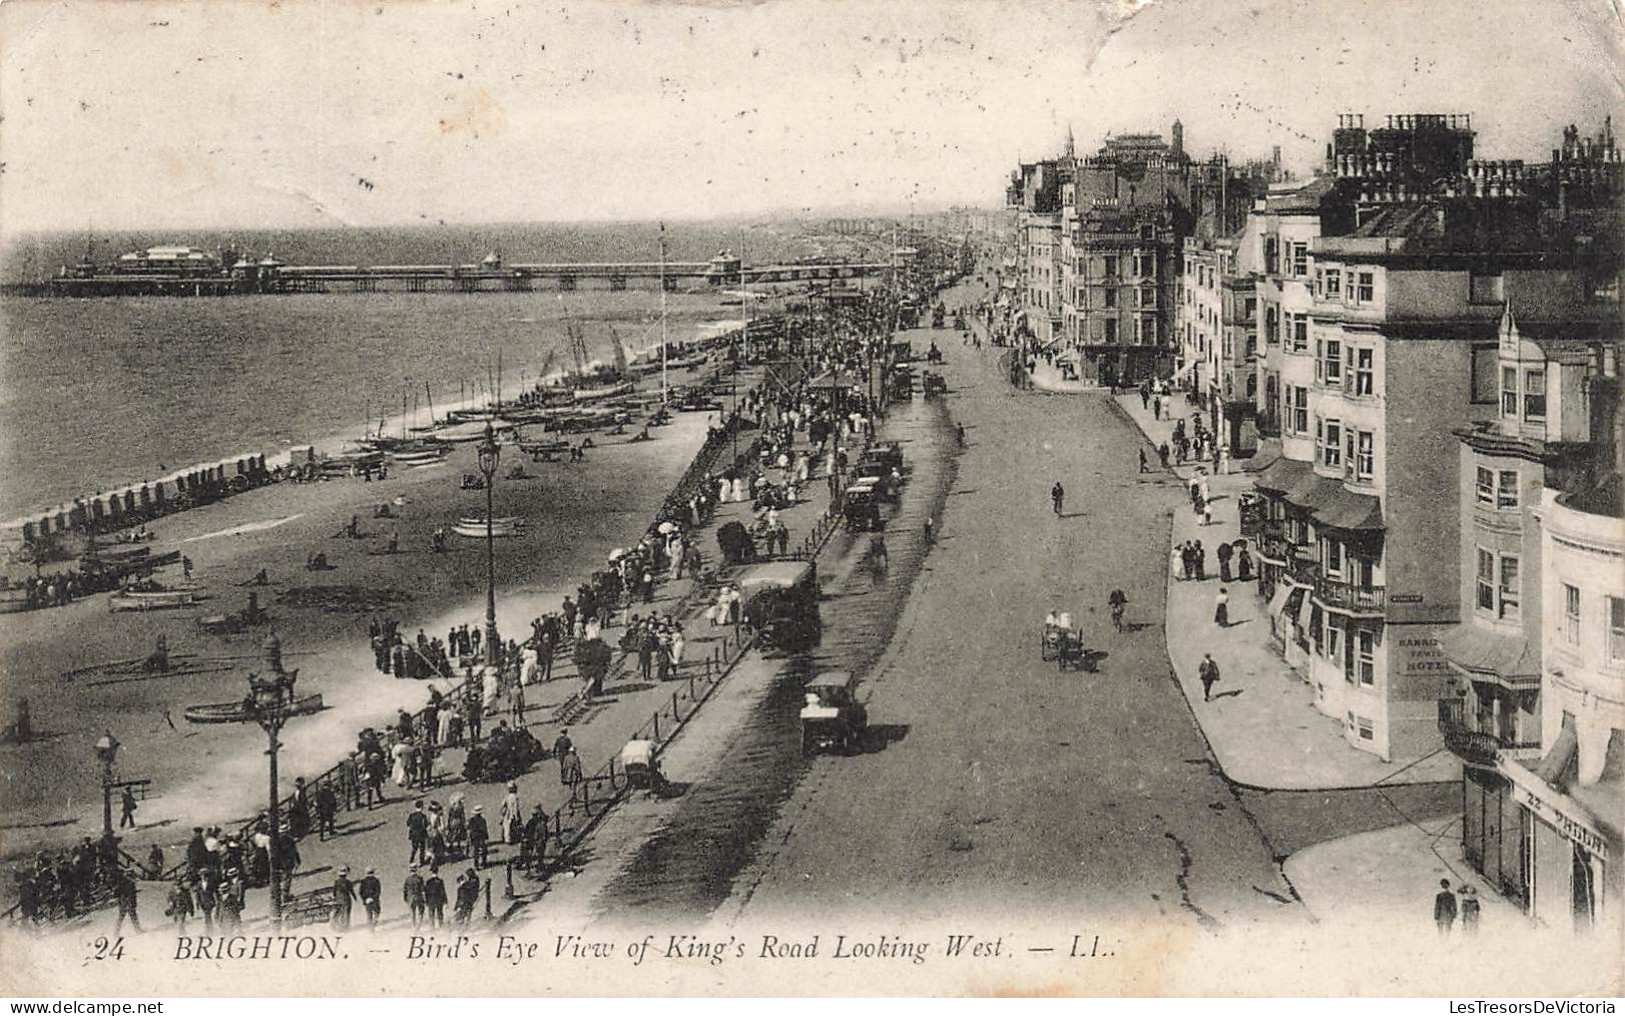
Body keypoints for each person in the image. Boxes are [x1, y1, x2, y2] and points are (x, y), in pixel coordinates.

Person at [113, 868, 140, 934]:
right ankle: (116, 932)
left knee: (124, 917)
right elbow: (116, 892)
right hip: (125, 901)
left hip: (125, 901)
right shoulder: (123, 882)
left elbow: (116, 893)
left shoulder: (127, 882)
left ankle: (116, 932)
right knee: (128, 916)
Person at [331, 866, 355, 931]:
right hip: (346, 898)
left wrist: (334, 897)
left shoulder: (336, 881)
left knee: (339, 913)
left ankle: (337, 927)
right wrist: (355, 897)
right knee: (346, 913)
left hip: (338, 899)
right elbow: (351, 891)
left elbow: (334, 891)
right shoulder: (348, 882)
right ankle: (345, 927)